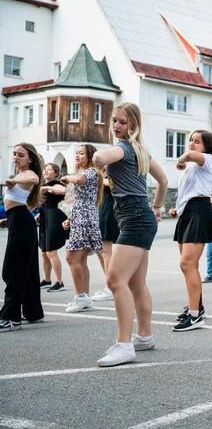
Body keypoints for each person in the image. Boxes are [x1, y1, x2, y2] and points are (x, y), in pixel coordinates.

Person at [92, 102, 168, 366]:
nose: (116, 126)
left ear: (133, 125)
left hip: (134, 217)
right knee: (135, 283)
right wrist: (157, 207)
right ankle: (144, 336)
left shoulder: (124, 147)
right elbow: (164, 181)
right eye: (114, 121)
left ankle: (124, 345)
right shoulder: (141, 150)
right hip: (137, 215)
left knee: (114, 280)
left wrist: (97, 159)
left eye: (122, 122)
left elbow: (100, 158)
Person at [169, 130, 212, 331]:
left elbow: (189, 156)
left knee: (187, 263)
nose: (191, 143)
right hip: (188, 212)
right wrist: (178, 208)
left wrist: (182, 159)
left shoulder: (207, 159)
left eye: (197, 141)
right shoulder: (190, 167)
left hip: (200, 211)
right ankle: (196, 306)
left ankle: (195, 315)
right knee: (188, 266)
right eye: (190, 140)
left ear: (206, 147)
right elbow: (187, 192)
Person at [0, 143, 44, 332]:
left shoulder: (26, 175)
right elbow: (17, 203)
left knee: (13, 270)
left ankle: (11, 318)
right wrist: (6, 220)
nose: (16, 157)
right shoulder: (18, 175)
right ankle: (33, 312)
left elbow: (33, 177)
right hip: (17, 220)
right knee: (27, 269)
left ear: (30, 159)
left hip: (21, 223)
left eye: (21, 154)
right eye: (14, 154)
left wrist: (13, 182)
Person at [61, 144, 104, 313]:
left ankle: (81, 297)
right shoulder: (87, 173)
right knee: (80, 259)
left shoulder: (91, 172)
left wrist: (67, 177)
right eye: (76, 153)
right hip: (82, 216)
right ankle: (83, 296)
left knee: (72, 257)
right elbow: (82, 199)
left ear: (90, 156)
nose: (77, 156)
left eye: (81, 153)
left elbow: (79, 180)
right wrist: (71, 219)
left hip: (85, 217)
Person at [38, 163, 69, 292]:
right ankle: (46, 280)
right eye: (45, 169)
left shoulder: (57, 183)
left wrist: (45, 188)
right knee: (44, 252)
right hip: (44, 216)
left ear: (55, 173)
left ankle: (59, 282)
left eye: (49, 169)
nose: (45, 171)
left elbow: (62, 190)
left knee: (51, 251)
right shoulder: (43, 185)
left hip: (54, 217)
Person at [90, 171, 117, 302]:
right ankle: (109, 284)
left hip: (108, 211)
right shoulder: (103, 173)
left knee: (106, 252)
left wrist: (100, 179)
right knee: (101, 252)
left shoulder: (114, 172)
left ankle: (111, 287)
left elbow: (114, 184)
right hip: (101, 210)